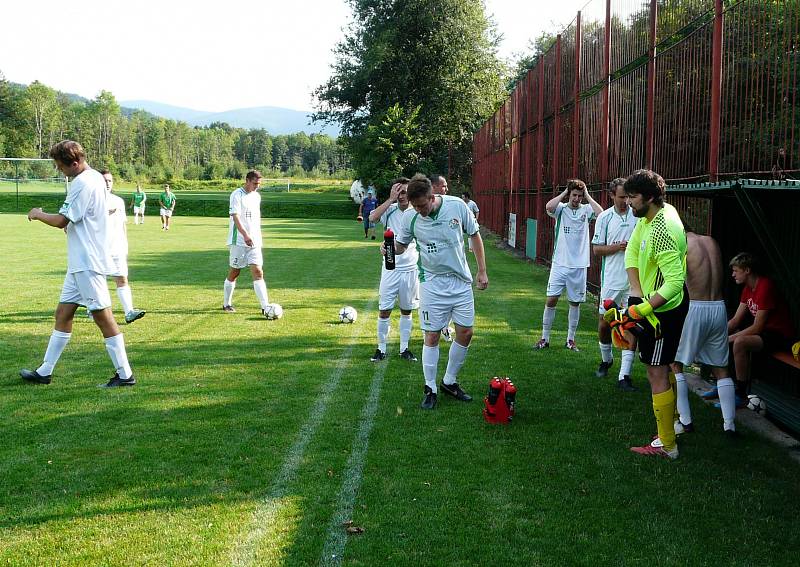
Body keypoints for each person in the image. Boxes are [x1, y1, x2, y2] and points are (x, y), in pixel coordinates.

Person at [20, 140, 135, 388]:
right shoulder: (94, 177)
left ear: (74, 163)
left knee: (102, 317)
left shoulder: (82, 183)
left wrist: (37, 214)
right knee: (63, 314)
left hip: (88, 261)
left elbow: (62, 220)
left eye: (61, 166)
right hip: (80, 261)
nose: (60, 171)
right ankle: (45, 371)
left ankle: (125, 375)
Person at [394, 174, 488, 410]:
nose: (419, 210)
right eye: (415, 206)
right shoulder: (410, 217)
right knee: (432, 335)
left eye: (422, 205)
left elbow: (474, 235)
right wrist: (388, 247)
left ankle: (449, 381)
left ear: (433, 197)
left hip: (460, 281)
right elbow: (401, 245)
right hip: (432, 284)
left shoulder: (457, 206)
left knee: (465, 332)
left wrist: (482, 271)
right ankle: (430, 388)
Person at [623, 169, 689, 459]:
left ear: (649, 198)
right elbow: (632, 251)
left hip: (663, 311)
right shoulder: (651, 217)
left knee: (655, 371)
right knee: (664, 365)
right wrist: (637, 294)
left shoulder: (661, 228)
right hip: (653, 306)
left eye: (633, 198)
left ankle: (668, 445)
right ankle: (673, 425)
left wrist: (645, 307)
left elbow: (675, 283)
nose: (628, 203)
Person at [670, 228, 736, 435]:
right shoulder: (711, 241)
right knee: (721, 368)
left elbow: (674, 282)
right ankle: (729, 425)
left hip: (695, 307)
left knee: (675, 363)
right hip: (718, 307)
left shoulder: (682, 245)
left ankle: (685, 421)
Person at [535, 179, 602, 351]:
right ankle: (545, 338)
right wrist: (564, 193)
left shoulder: (586, 210)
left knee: (575, 302)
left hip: (579, 265)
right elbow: (548, 207)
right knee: (551, 299)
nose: (577, 199)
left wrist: (587, 195)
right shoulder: (561, 209)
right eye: (574, 195)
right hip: (560, 263)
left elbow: (600, 214)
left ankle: (570, 340)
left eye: (579, 196)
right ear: (569, 194)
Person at [727, 252, 796, 399]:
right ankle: (725, 384)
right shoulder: (747, 289)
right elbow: (735, 321)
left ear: (747, 270)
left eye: (735, 271)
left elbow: (757, 327)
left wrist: (730, 338)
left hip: (780, 335)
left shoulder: (765, 286)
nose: (733, 275)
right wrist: (717, 335)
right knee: (728, 337)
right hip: (764, 333)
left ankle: (740, 393)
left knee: (739, 341)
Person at [591, 178, 637, 391]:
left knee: (630, 324)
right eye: (621, 197)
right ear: (611, 196)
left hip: (634, 281)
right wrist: (617, 247)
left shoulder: (637, 215)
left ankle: (624, 375)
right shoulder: (604, 217)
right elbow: (597, 250)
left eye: (628, 196)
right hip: (611, 280)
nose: (626, 201)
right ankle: (606, 359)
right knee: (604, 324)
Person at [368, 177, 419, 362]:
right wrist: (390, 199)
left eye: (404, 191)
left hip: (411, 269)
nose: (401, 195)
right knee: (384, 310)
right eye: (397, 192)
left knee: (407, 310)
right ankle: (381, 349)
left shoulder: (417, 212)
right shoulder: (389, 210)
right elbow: (372, 217)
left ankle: (404, 348)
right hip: (390, 268)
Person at [100, 169, 146, 324]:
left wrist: (125, 244)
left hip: (117, 247)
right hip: (99, 248)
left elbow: (122, 225)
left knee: (122, 278)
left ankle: (129, 312)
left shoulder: (118, 201)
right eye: (104, 180)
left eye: (110, 181)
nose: (107, 183)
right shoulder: (93, 201)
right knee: (98, 281)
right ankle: (93, 309)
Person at [222, 170, 271, 315]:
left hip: (255, 241)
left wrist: (254, 237)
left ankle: (265, 307)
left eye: (259, 184)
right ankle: (226, 304)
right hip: (239, 240)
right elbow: (236, 217)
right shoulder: (236, 195)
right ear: (247, 181)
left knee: (258, 271)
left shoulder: (257, 196)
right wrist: (245, 235)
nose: (257, 186)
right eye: (255, 183)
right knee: (234, 272)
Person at [431, 175, 454, 341]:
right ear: (433, 187)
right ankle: (436, 328)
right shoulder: (418, 210)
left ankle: (444, 327)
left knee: (451, 302)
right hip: (429, 268)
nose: (446, 189)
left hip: (451, 267)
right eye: (443, 186)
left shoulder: (454, 205)